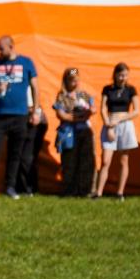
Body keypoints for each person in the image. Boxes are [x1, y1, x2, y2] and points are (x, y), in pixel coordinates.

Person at [0, 35, 38, 199]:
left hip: (20, 116)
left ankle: (11, 187)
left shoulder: (26, 62)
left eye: (1, 48)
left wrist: (35, 111)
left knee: (15, 153)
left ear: (11, 46)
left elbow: (35, 88)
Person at [94, 63, 140, 200]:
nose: (122, 78)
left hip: (125, 125)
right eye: (120, 75)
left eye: (125, 75)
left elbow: (136, 111)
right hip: (110, 124)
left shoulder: (131, 90)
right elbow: (103, 108)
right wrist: (108, 124)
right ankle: (98, 192)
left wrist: (120, 119)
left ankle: (120, 192)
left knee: (123, 160)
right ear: (115, 74)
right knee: (105, 161)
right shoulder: (108, 89)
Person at [52, 68, 96, 198]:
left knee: (86, 161)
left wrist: (86, 113)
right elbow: (61, 115)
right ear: (66, 81)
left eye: (77, 79)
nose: (75, 83)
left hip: (84, 131)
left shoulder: (83, 95)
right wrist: (79, 117)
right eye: (72, 80)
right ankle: (69, 190)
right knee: (69, 161)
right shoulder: (62, 96)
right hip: (69, 133)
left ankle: (84, 190)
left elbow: (93, 109)